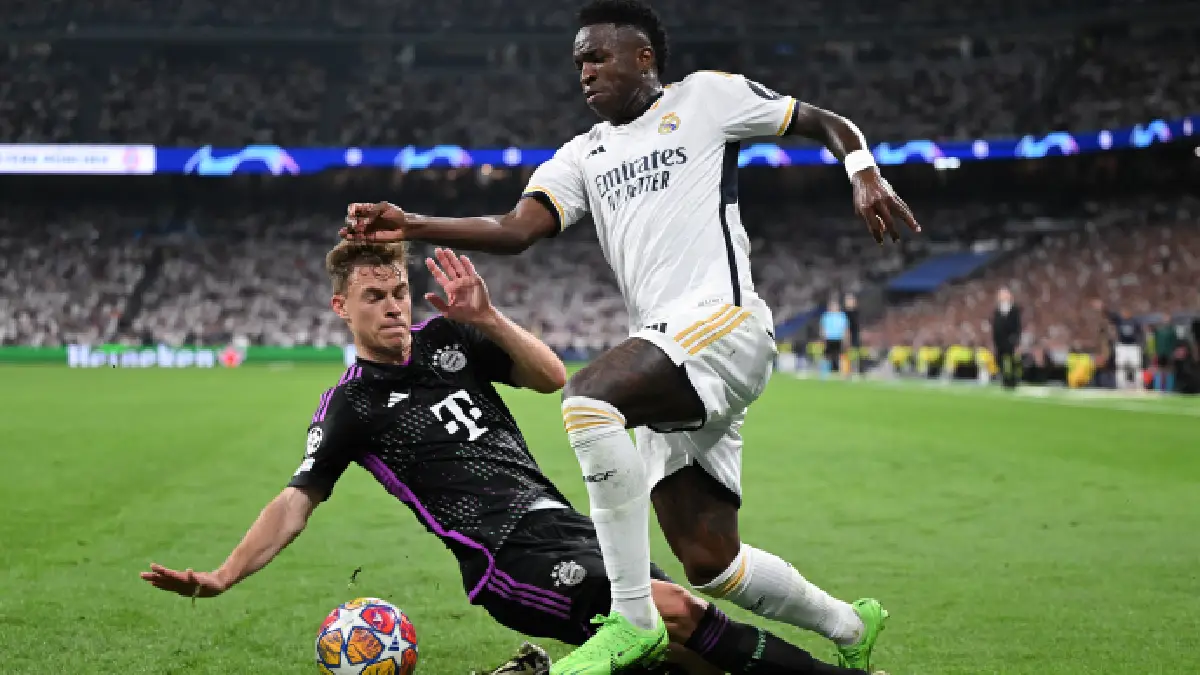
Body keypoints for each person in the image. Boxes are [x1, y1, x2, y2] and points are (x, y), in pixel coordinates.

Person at [341, 1, 920, 671]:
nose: (584, 72)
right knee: (710, 562)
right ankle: (851, 626)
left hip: (724, 322)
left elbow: (825, 121)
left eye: (597, 57)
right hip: (669, 353)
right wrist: (413, 224)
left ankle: (632, 617)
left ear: (643, 57)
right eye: (578, 63)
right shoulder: (582, 154)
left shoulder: (705, 98)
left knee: (587, 399)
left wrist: (864, 173)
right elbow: (516, 229)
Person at [139, 241, 881, 675]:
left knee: (685, 655)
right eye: (374, 296)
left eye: (399, 290)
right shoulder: (351, 407)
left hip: (571, 524)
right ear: (342, 308)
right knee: (675, 614)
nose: (394, 305)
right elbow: (295, 500)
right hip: (507, 556)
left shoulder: (449, 339)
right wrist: (223, 574)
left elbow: (552, 377)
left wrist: (487, 316)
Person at [1092, 299, 1143, 390]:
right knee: (1120, 366)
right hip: (1122, 346)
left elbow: (1140, 334)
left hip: (1133, 346)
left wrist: (1140, 344)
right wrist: (1102, 307)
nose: (1125, 313)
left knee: (1136, 366)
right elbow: (1109, 314)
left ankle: (1138, 385)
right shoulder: (1119, 320)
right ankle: (1121, 385)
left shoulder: (1135, 321)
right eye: (1124, 311)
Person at [992, 288, 1022, 389]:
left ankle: (1013, 379)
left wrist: (1016, 338)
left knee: (1012, 359)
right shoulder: (997, 310)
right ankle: (1004, 378)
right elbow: (995, 326)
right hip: (999, 340)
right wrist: (995, 339)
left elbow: (1017, 325)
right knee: (1000, 359)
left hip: (1010, 339)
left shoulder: (1014, 309)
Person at [820, 299, 849, 377]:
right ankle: (824, 373)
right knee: (827, 356)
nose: (833, 308)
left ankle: (844, 373)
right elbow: (823, 328)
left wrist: (846, 339)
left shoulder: (842, 316)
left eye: (835, 306)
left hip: (839, 338)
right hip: (829, 338)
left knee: (842, 355)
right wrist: (823, 338)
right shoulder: (826, 316)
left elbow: (845, 328)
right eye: (832, 306)